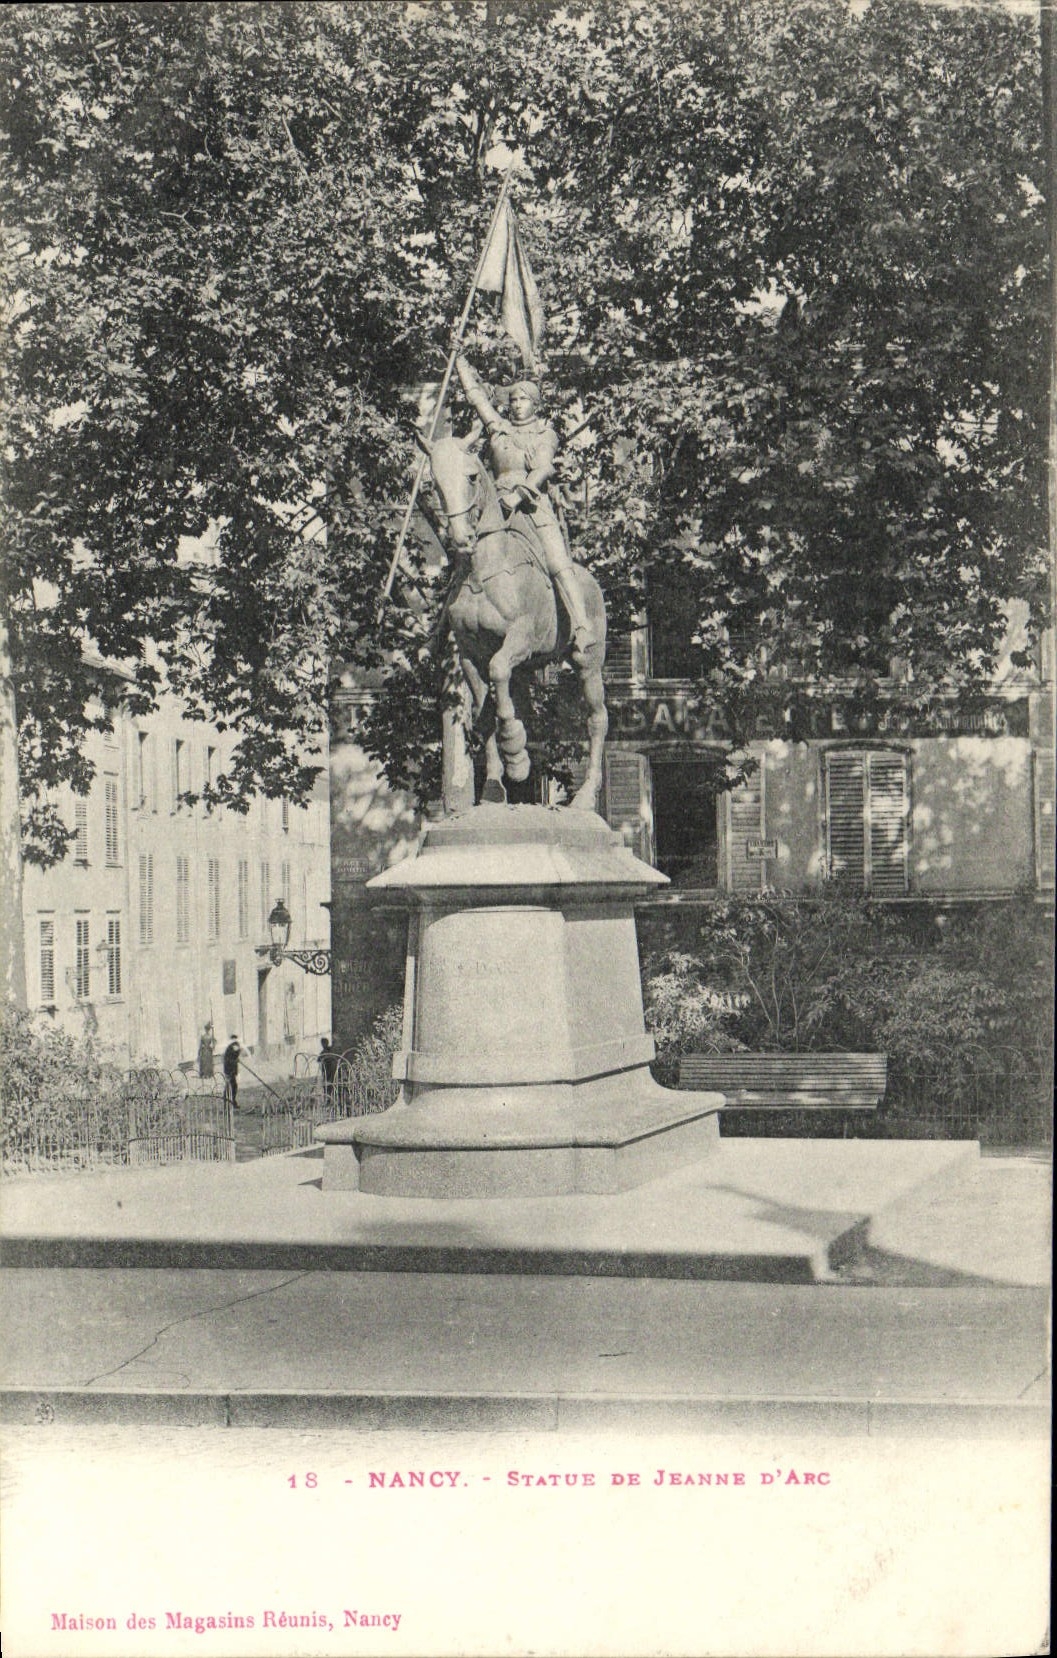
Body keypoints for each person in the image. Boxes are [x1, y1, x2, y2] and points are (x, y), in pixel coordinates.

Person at [455, 355, 594, 662]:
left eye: (523, 400)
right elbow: (477, 398)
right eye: (514, 399)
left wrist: (518, 496)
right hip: (494, 507)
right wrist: (461, 363)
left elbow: (543, 469)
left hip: (531, 506)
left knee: (557, 561)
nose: (517, 404)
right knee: (466, 561)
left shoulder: (544, 433)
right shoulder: (500, 429)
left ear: (535, 404)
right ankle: (439, 633)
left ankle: (582, 625)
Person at [319, 1037, 340, 1106]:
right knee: (327, 1086)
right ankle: (328, 1100)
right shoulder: (325, 1051)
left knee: (330, 1085)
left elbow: (332, 1058)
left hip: (330, 1070)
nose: (323, 1045)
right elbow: (319, 1059)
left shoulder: (329, 1051)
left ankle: (331, 1100)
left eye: (324, 1043)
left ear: (326, 1043)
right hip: (326, 1071)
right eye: (322, 1043)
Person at [222, 1035, 241, 1110]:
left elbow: (236, 1054)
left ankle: (231, 1101)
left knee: (233, 1086)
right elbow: (228, 1059)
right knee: (230, 1086)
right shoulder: (230, 1048)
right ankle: (228, 1102)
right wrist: (235, 1061)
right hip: (229, 1069)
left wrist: (236, 1059)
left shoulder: (235, 1046)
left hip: (232, 1069)